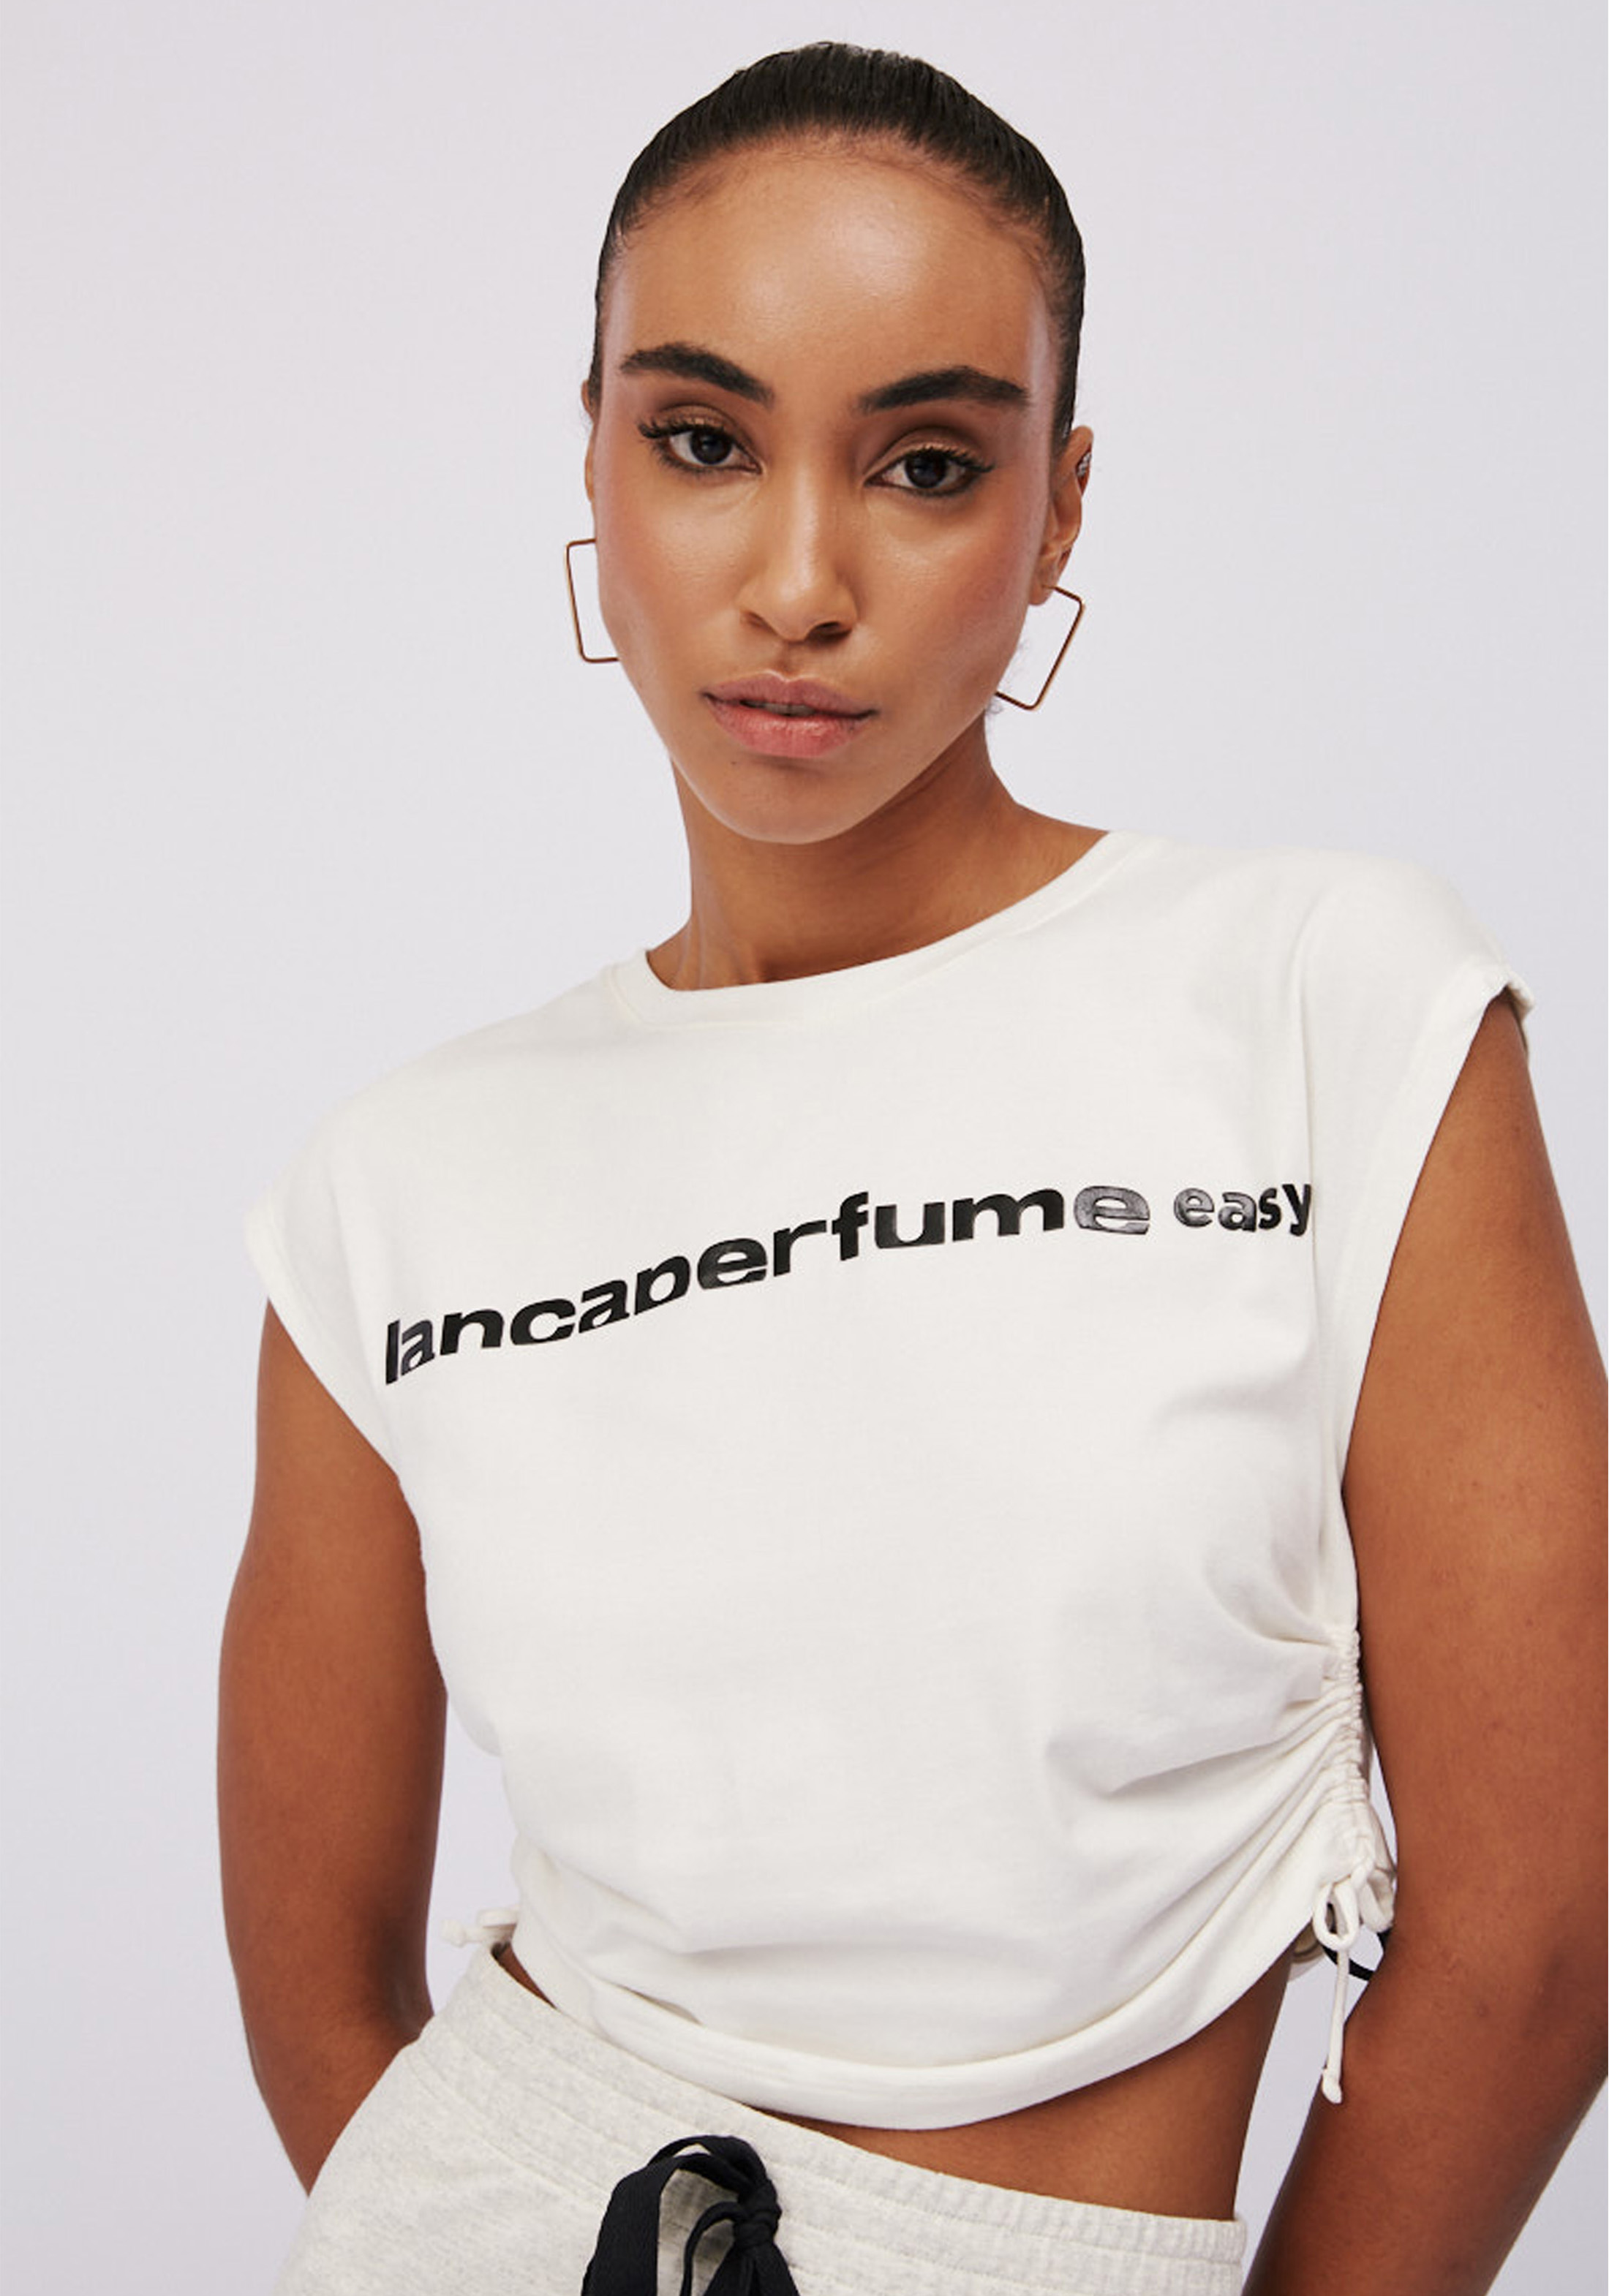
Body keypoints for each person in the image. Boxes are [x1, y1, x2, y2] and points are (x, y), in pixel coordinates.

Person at [219, 42, 1605, 2296]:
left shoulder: (1327, 1003)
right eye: (701, 439)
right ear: (593, 455)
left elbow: (1546, 1928)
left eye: (929, 465)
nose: (797, 580)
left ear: (1060, 510)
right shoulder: (396, 1189)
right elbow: (325, 1995)